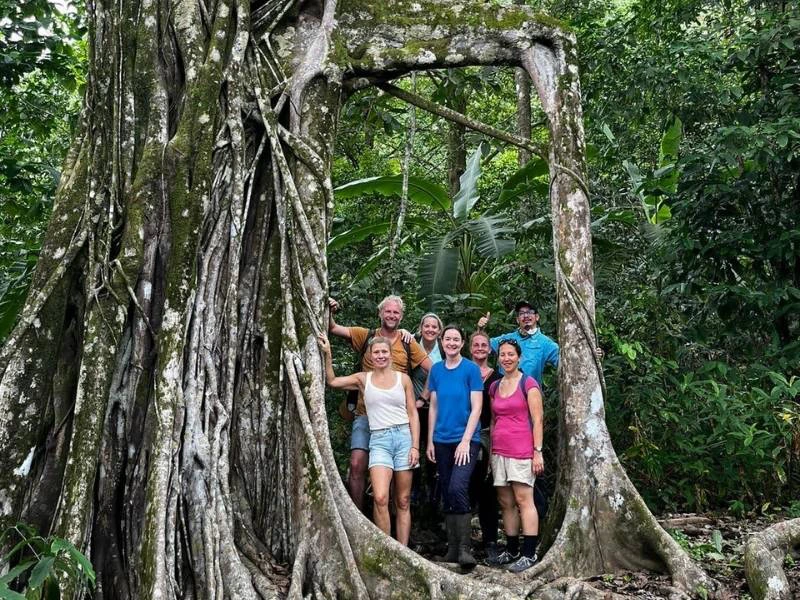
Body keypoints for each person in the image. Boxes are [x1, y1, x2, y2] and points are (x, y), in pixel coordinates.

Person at [329, 296, 431, 512]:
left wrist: (422, 397)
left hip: (397, 419)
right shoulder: (365, 335)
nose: (392, 316)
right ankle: (358, 516)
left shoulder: (407, 341)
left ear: (401, 316)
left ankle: (393, 520)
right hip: (366, 414)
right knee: (357, 463)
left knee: (396, 474)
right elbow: (333, 328)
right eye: (388, 312)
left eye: (396, 313)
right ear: (380, 313)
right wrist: (330, 309)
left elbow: (433, 369)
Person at [318, 334, 420, 545]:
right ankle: (387, 549)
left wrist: (415, 447)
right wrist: (328, 353)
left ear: (391, 355)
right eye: (376, 352)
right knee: (381, 497)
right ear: (370, 356)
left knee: (402, 500)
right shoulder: (363, 379)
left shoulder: (404, 379)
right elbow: (332, 381)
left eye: (384, 352)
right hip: (379, 439)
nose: (381, 356)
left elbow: (412, 414)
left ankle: (403, 549)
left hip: (403, 438)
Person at [426, 325, 483, 568]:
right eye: (447, 339)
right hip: (441, 440)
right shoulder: (436, 370)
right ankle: (451, 550)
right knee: (447, 490)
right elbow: (434, 406)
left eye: (456, 339)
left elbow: (477, 408)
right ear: (442, 341)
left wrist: (466, 441)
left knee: (458, 487)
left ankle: (464, 549)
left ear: (462, 343)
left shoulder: (470, 369)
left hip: (466, 440)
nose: (451, 343)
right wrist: (429, 440)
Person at [486, 338, 544, 573]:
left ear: (519, 357)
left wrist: (537, 452)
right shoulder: (494, 386)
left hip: (522, 451)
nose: (506, 358)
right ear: (498, 358)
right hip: (499, 450)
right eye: (502, 354)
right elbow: (493, 419)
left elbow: (538, 419)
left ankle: (529, 554)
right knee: (506, 503)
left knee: (523, 500)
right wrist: (491, 452)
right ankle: (511, 550)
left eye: (511, 354)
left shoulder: (528, 384)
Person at [467, 330, 503, 562]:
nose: (480, 348)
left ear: (490, 349)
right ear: (470, 348)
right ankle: (462, 543)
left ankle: (490, 541)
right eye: (476, 344)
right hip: (464, 437)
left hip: (490, 435)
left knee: (489, 489)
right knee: (464, 487)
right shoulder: (462, 372)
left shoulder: (497, 377)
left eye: (484, 345)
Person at [409, 313, 444, 509]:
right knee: (413, 449)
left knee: (433, 451)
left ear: (439, 331)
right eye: (427, 326)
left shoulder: (445, 350)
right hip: (413, 408)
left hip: (435, 408)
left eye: (434, 327)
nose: (430, 330)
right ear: (421, 328)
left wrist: (425, 398)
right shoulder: (411, 344)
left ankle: (432, 495)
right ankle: (414, 492)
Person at [476, 301, 558, 383]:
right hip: (503, 391)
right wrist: (481, 329)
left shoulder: (545, 343)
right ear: (517, 320)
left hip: (530, 393)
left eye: (530, 312)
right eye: (521, 313)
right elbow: (481, 347)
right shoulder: (506, 339)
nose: (526, 316)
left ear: (537, 317)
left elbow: (565, 363)